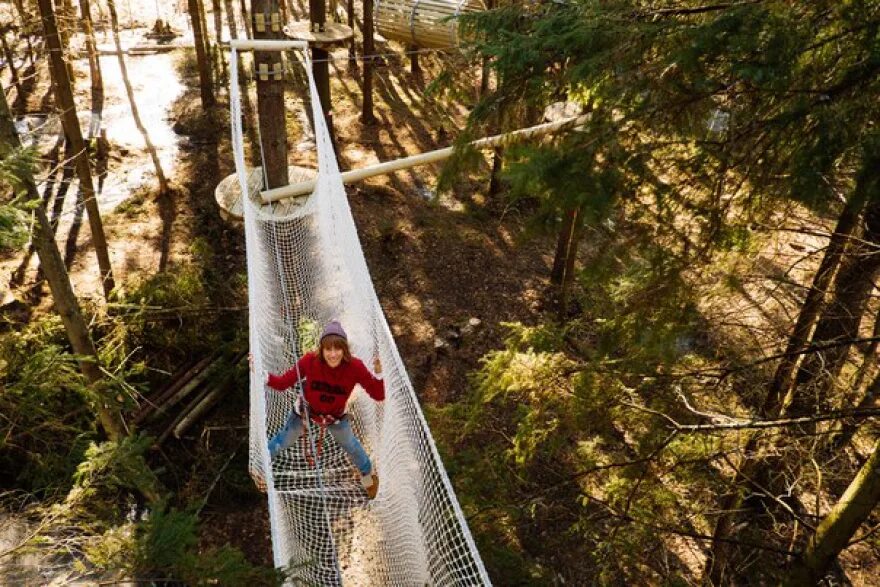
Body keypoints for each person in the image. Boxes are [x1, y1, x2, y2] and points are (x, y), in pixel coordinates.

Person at [261, 320, 384, 499]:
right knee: (284, 439)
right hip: (306, 411)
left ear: (345, 350)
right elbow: (282, 383)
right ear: (321, 349)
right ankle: (260, 466)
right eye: (328, 349)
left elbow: (378, 395)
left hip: (335, 417)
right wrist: (260, 372)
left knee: (351, 446)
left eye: (337, 349)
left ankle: (368, 478)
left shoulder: (354, 367)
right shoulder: (310, 361)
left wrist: (379, 373)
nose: (333, 354)